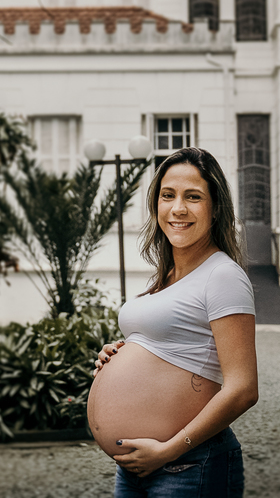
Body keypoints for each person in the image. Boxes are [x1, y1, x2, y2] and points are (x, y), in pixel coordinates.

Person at [87, 147, 258, 497]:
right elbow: (172, 345)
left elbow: (243, 389)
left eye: (193, 197)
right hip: (134, 468)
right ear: (156, 204)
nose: (178, 208)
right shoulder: (165, 277)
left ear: (215, 208)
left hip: (188, 466)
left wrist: (169, 450)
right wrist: (120, 354)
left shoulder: (223, 276)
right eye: (168, 195)